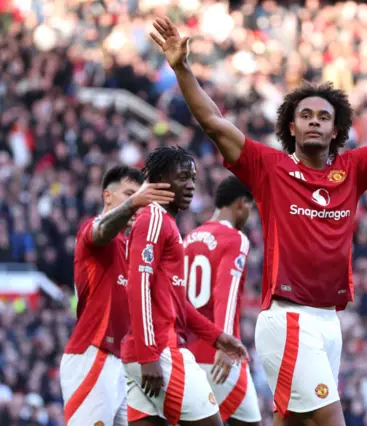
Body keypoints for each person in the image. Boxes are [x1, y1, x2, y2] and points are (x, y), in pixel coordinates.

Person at [150, 16, 367, 426]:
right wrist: (182, 69)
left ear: (336, 129)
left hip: (329, 321)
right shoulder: (269, 168)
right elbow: (215, 123)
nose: (313, 121)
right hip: (289, 317)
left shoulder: (353, 169)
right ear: (291, 126)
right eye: (305, 115)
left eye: (323, 117)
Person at [122, 146, 250, 426]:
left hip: (146, 353)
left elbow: (178, 304)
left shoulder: (168, 225)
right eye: (182, 177)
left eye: (192, 178)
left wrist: (218, 337)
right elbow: (137, 286)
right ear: (159, 180)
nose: (190, 185)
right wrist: (148, 355)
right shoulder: (153, 217)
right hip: (159, 350)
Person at [61, 165, 175, 426]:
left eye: (139, 196)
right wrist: (135, 203)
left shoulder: (132, 247)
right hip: (93, 354)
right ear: (107, 196)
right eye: (128, 194)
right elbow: (101, 232)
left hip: (122, 364)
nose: (136, 204)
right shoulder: (93, 230)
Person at [184, 175, 260, 426]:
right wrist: (224, 344)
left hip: (187, 351)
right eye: (250, 207)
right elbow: (223, 293)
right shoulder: (235, 239)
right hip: (219, 353)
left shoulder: (189, 239)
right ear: (240, 203)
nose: (249, 214)